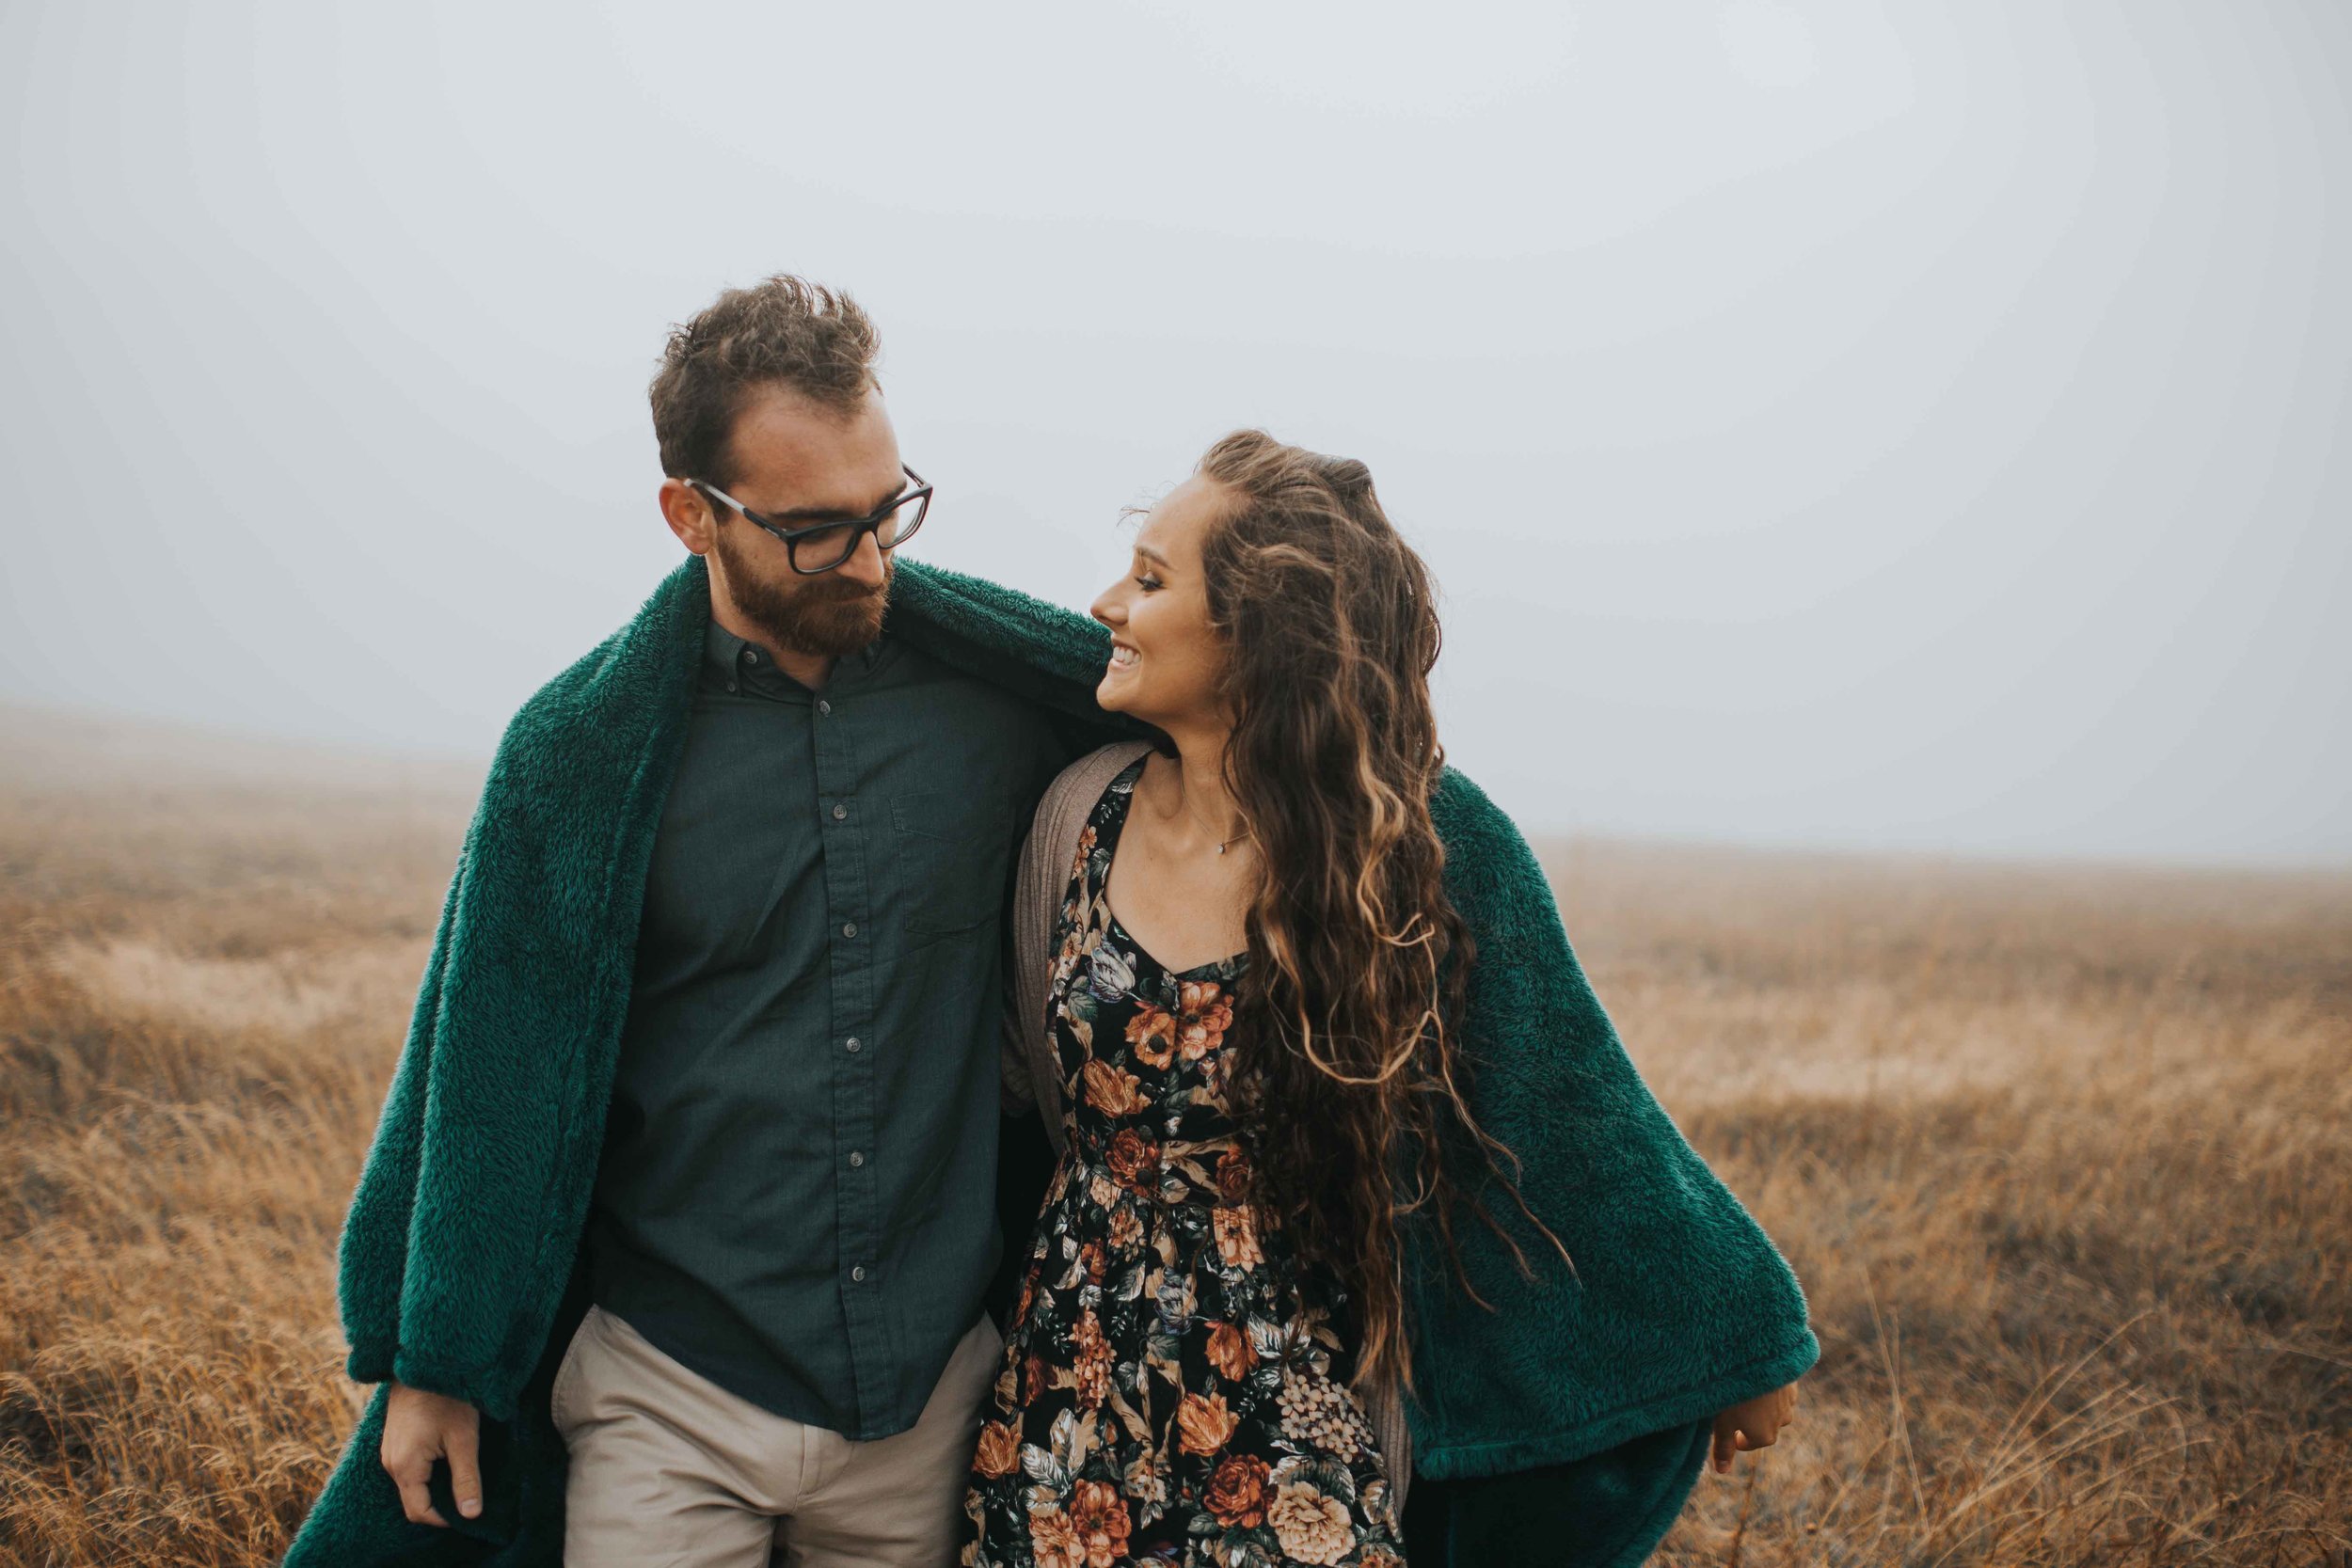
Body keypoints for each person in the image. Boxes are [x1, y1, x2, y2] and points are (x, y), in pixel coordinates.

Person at [284, 275, 1140, 1567]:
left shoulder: (1006, 707)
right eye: (812, 529)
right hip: (666, 1395)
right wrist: (436, 1358)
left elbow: (1244, 747)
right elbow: (489, 1072)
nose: (866, 558)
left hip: (931, 1400)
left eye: (887, 508)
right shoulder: (577, 758)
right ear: (692, 511)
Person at [969, 433, 1810, 1567]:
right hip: (1062, 1405)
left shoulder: (1414, 852)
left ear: (1257, 633)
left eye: (1153, 579)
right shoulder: (1073, 818)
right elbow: (1007, 1108)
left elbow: (1571, 1112)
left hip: (1299, 1426)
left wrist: (1742, 1336)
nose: (1107, 602)